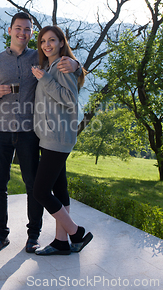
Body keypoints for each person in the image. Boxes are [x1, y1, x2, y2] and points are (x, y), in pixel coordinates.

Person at [0, 13, 79, 254]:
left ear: (31, 33)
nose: (22, 33)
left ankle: (33, 236)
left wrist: (77, 65)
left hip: (30, 132)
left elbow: (65, 63)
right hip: (0, 131)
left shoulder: (40, 57)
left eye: (27, 29)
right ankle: (0, 235)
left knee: (33, 185)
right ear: (10, 30)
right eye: (18, 28)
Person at [31, 25, 93, 255]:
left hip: (57, 136)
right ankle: (60, 241)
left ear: (61, 42)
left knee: (40, 192)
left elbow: (69, 99)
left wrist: (46, 79)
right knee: (60, 189)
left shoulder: (62, 65)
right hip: (51, 135)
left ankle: (76, 233)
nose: (47, 45)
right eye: (43, 41)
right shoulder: (52, 65)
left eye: (52, 40)